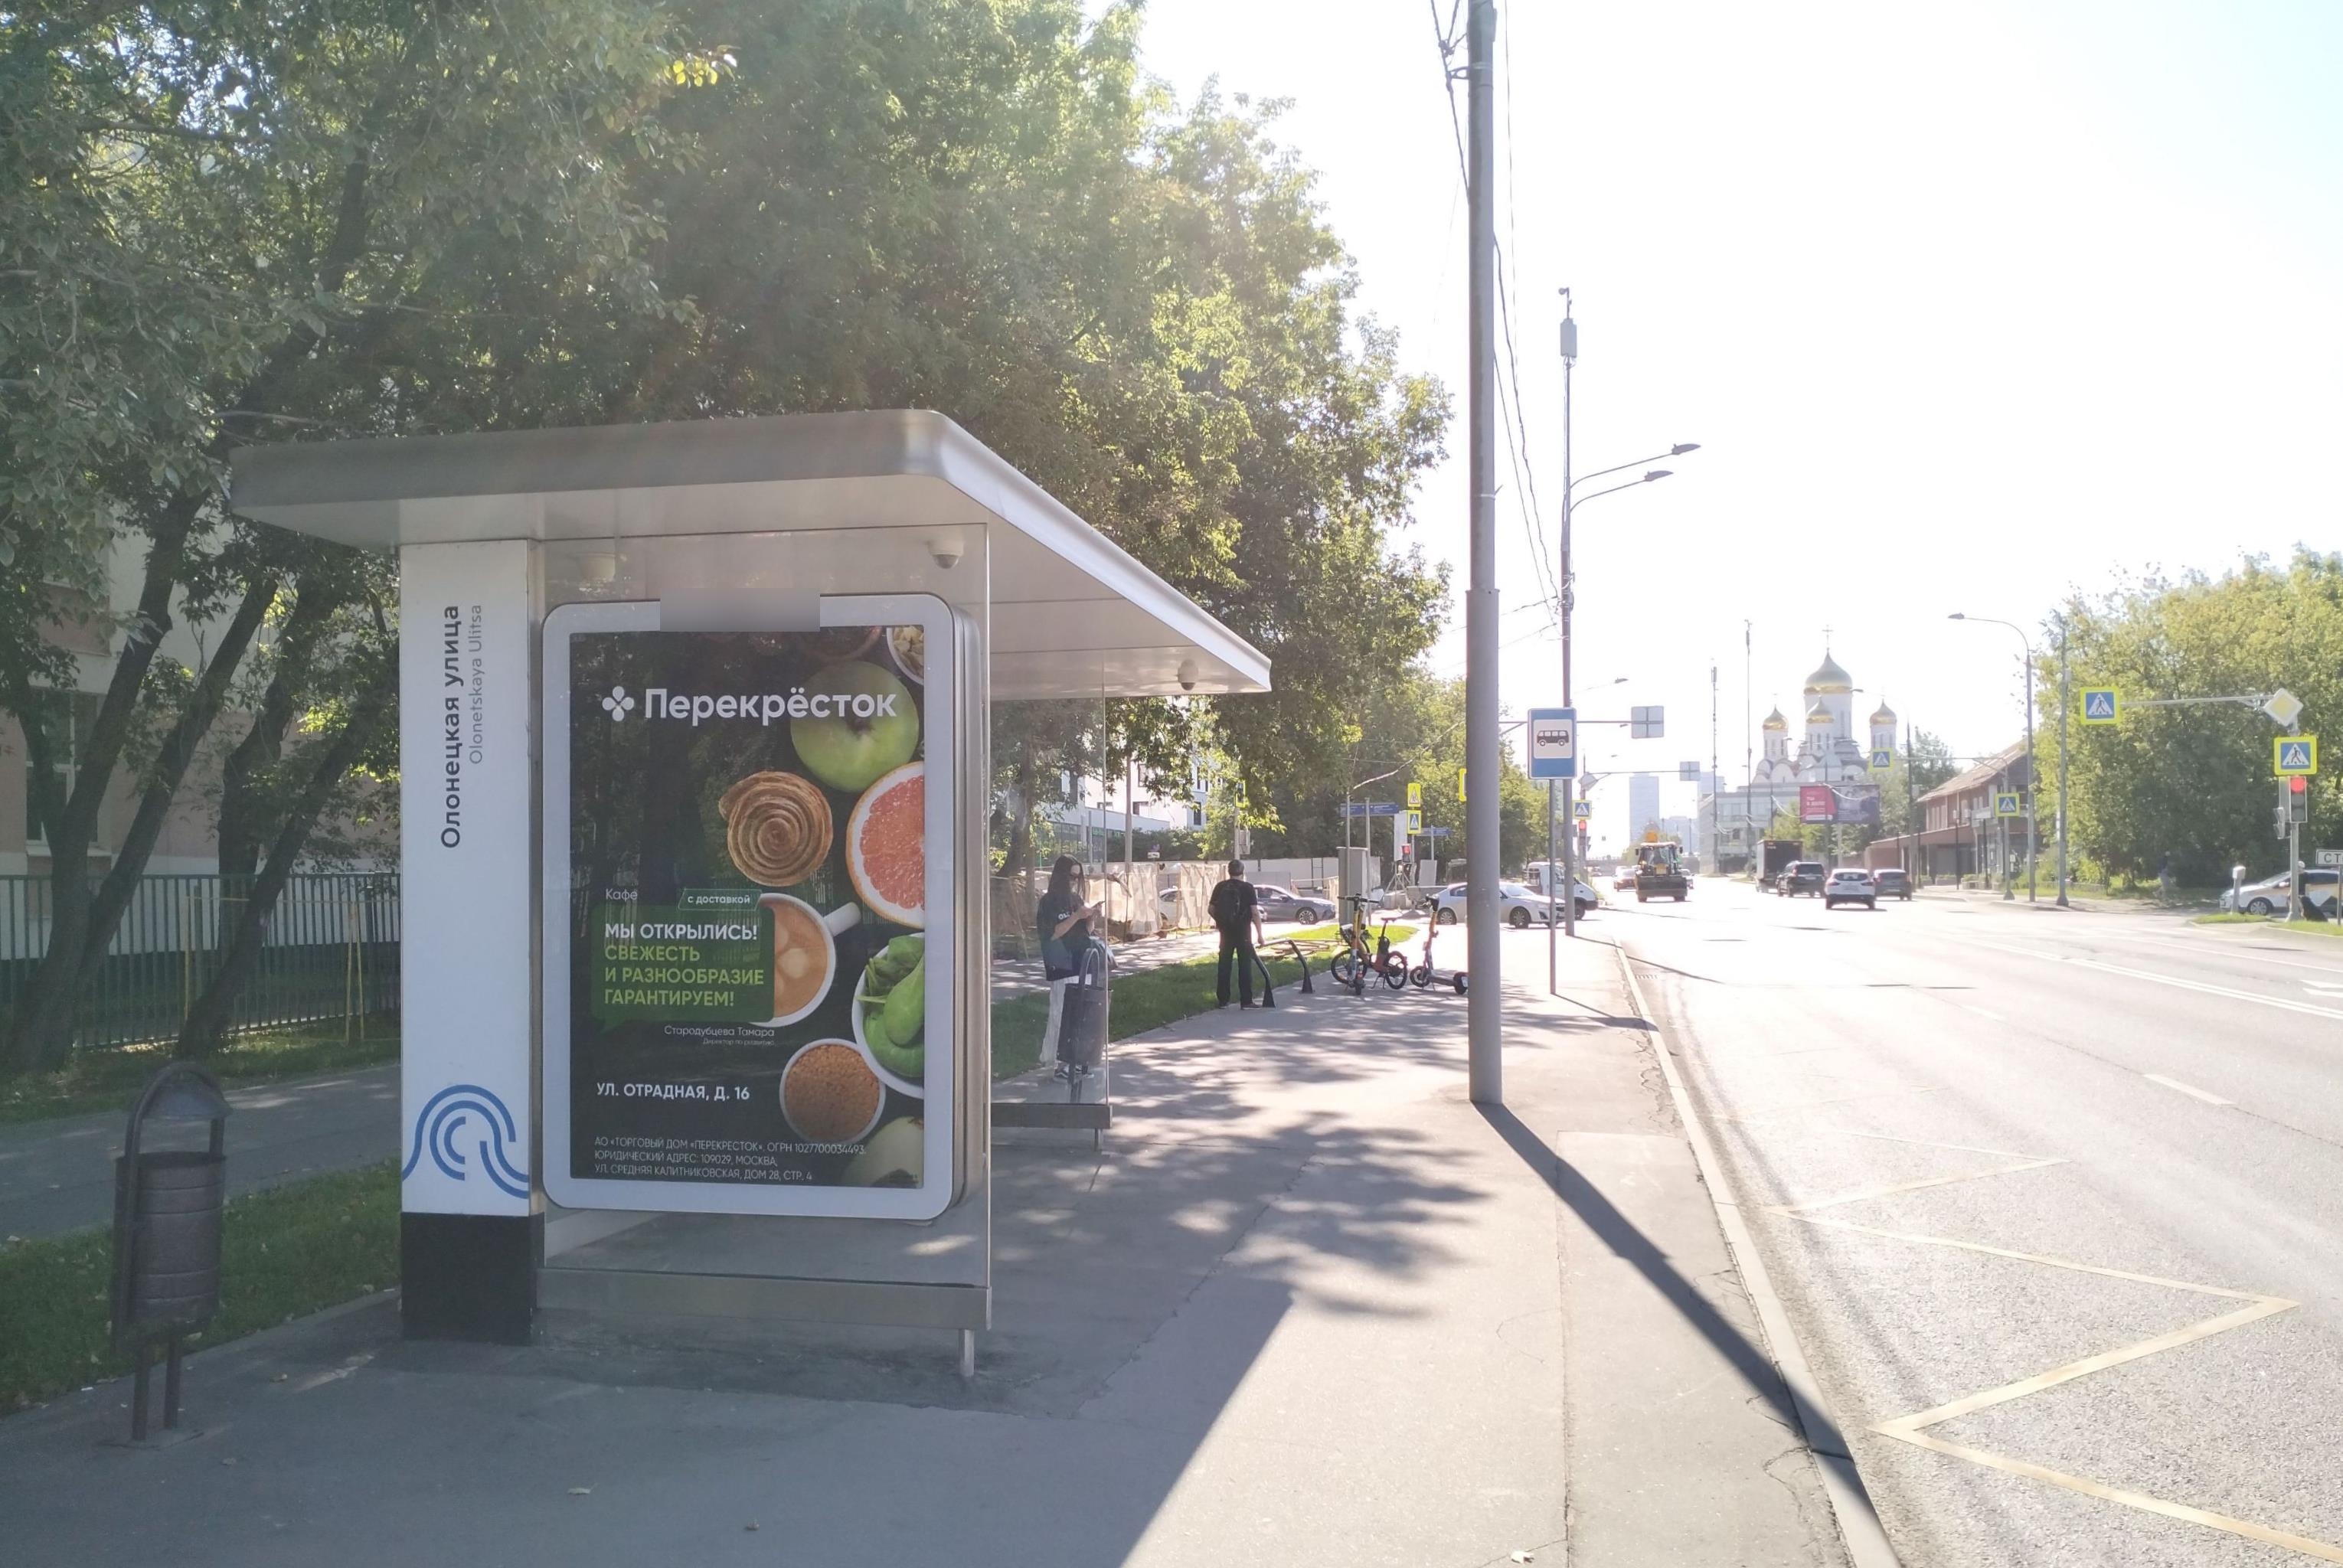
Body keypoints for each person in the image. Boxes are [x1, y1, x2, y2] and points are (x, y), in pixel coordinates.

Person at [1036, 854, 1103, 982]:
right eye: (1072, 877)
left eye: (1078, 878)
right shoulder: (1048, 902)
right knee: (1066, 994)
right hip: (1062, 968)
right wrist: (1076, 916)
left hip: (1083, 965)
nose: (1075, 881)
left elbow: (1086, 931)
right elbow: (1052, 935)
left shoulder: (1076, 899)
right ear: (1061, 875)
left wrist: (1091, 918)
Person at [1209, 859, 1265, 1008]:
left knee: (1224, 965)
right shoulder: (1248, 888)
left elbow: (1211, 909)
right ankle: (1246, 1000)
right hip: (1243, 932)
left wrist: (1222, 921)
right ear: (1242, 871)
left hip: (1225, 932)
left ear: (1229, 871)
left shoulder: (1220, 887)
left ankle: (1223, 1000)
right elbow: (1255, 913)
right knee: (1245, 965)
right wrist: (1260, 935)